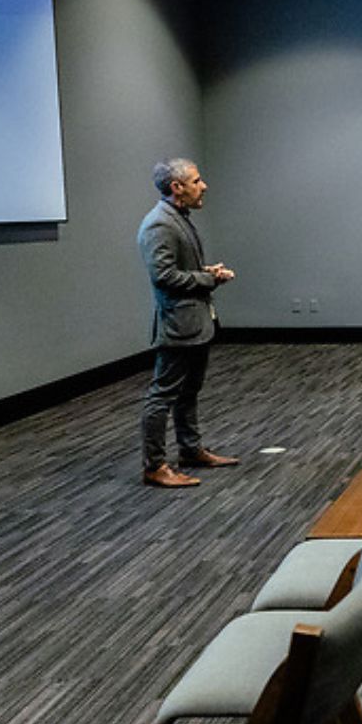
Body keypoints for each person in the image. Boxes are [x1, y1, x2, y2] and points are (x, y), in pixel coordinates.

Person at [137, 158, 238, 489]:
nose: (203, 185)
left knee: (188, 391)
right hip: (178, 325)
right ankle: (155, 466)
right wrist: (208, 280)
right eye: (196, 180)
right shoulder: (160, 224)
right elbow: (163, 276)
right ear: (176, 187)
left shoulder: (178, 218)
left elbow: (177, 268)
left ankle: (190, 449)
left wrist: (205, 272)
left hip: (194, 323)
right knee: (162, 395)